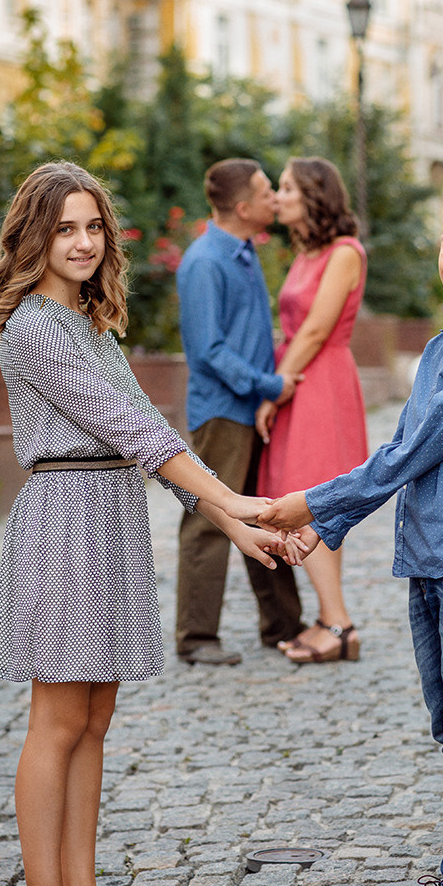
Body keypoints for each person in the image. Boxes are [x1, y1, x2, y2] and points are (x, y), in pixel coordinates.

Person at [0, 161, 303, 886]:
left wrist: (231, 523)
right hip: (64, 520)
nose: (83, 243)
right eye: (65, 229)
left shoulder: (91, 324)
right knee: (55, 721)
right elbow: (137, 430)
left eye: (93, 227)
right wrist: (240, 503)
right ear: (35, 237)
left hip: (110, 514)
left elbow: (147, 437)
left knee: (94, 718)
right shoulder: (31, 327)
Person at [256, 182, 443, 886]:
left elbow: (415, 451)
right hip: (434, 555)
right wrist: (330, 521)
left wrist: (311, 505)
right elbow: (402, 453)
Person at [175, 158, 305, 666]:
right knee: (210, 518)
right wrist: (271, 384)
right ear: (245, 206)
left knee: (266, 512)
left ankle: (283, 624)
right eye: (267, 190)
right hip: (223, 412)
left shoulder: (245, 252)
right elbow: (208, 351)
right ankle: (197, 638)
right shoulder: (205, 261)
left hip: (249, 409)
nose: (276, 196)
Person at [255, 157, 368, 664]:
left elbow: (318, 329)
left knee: (315, 501)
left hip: (320, 384)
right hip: (300, 379)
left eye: (286, 187)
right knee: (296, 501)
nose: (277, 196)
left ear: (314, 195)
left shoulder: (345, 252)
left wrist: (275, 390)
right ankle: (330, 619)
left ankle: (339, 624)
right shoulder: (305, 254)